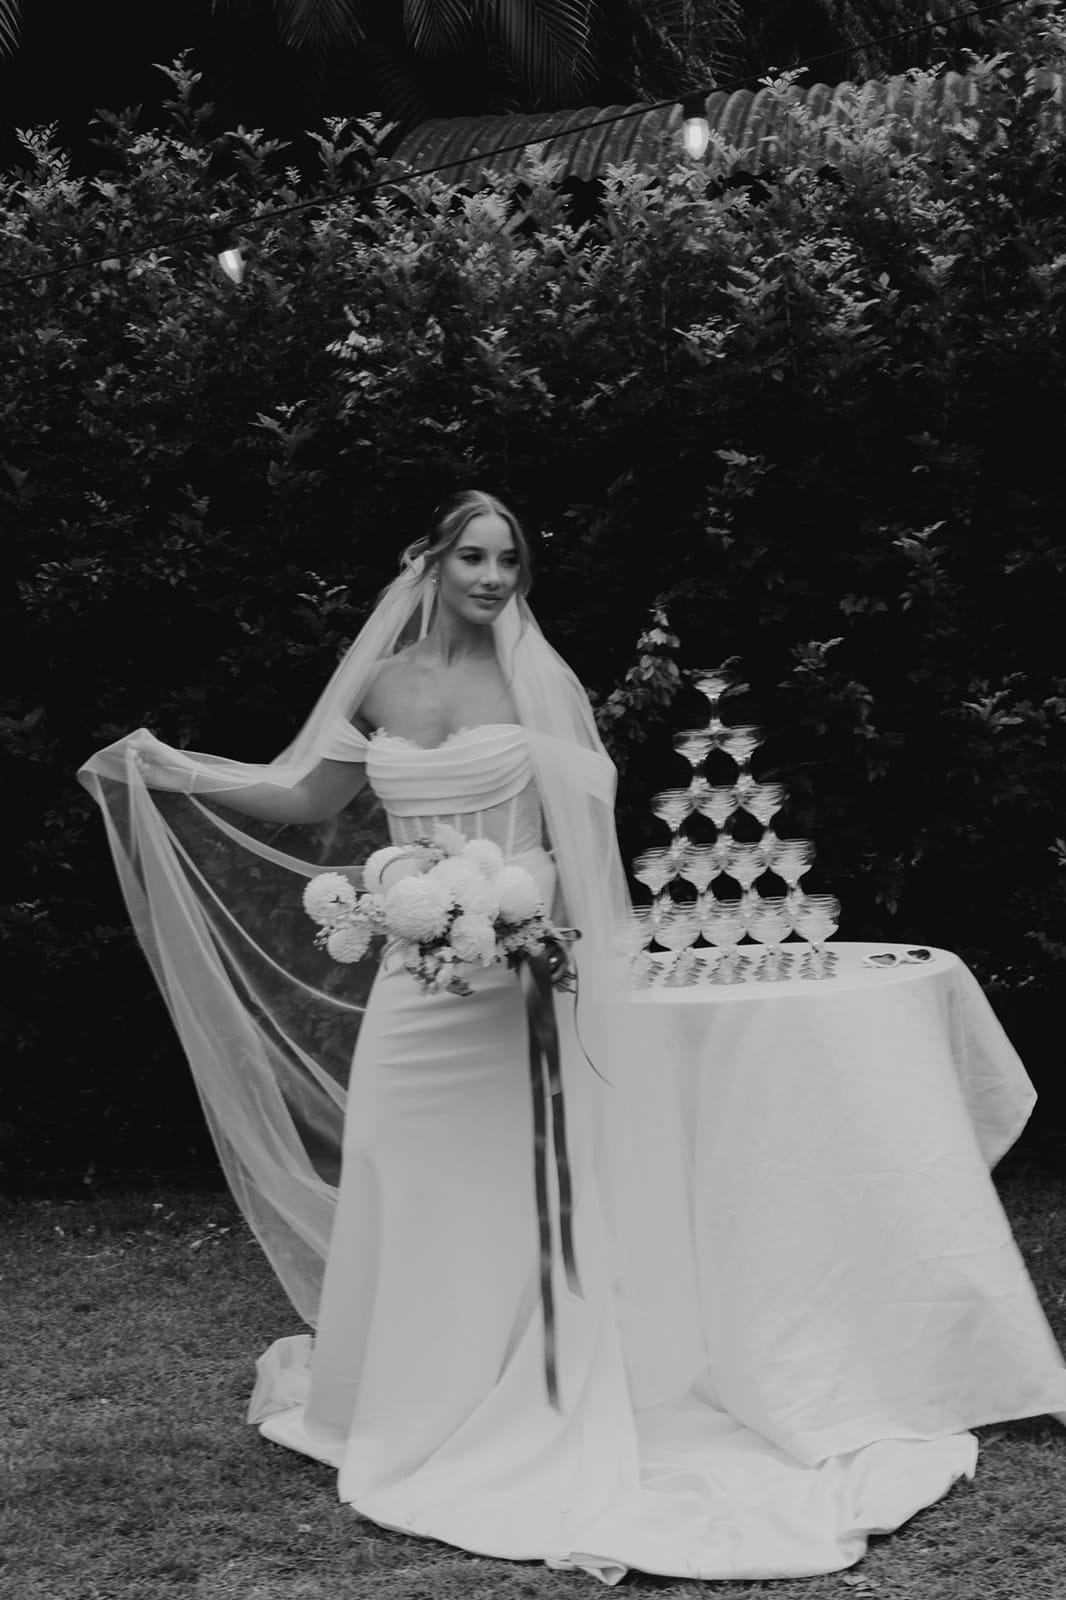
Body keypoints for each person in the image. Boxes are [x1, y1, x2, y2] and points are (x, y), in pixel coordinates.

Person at [79, 490, 1063, 1585]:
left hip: (517, 977)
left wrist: (522, 916)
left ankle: (529, 1392)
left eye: (509, 560)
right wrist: (169, 768)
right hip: (413, 987)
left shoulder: (536, 682)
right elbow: (306, 796)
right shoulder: (377, 680)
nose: (493, 578)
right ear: (431, 563)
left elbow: (579, 841)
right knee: (402, 1169)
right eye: (473, 557)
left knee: (514, 1188)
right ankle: (409, 1392)